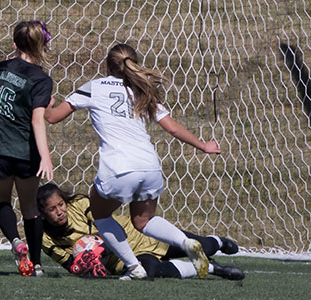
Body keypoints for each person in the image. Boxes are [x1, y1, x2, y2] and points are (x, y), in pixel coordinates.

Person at [44, 43, 221, 280]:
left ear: (107, 65)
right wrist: (203, 145)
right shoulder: (142, 91)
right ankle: (186, 242)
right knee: (143, 220)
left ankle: (134, 268)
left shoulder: (94, 87)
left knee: (101, 217)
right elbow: (173, 128)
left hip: (118, 169)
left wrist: (47, 104)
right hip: (150, 166)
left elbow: (53, 118)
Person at [0, 20, 54, 276]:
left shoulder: (1, 68)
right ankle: (37, 265)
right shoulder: (41, 80)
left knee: (1, 201)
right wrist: (46, 156)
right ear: (42, 45)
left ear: (14, 44)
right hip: (24, 152)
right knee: (30, 208)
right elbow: (38, 119)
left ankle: (16, 242)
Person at [37, 183, 244, 280]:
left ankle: (218, 242)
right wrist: (87, 263)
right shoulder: (45, 238)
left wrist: (97, 245)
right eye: (52, 209)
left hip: (137, 235)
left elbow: (103, 226)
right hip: (123, 258)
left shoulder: (80, 204)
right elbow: (70, 264)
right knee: (151, 272)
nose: (60, 211)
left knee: (202, 246)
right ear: (43, 214)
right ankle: (212, 269)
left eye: (61, 204)